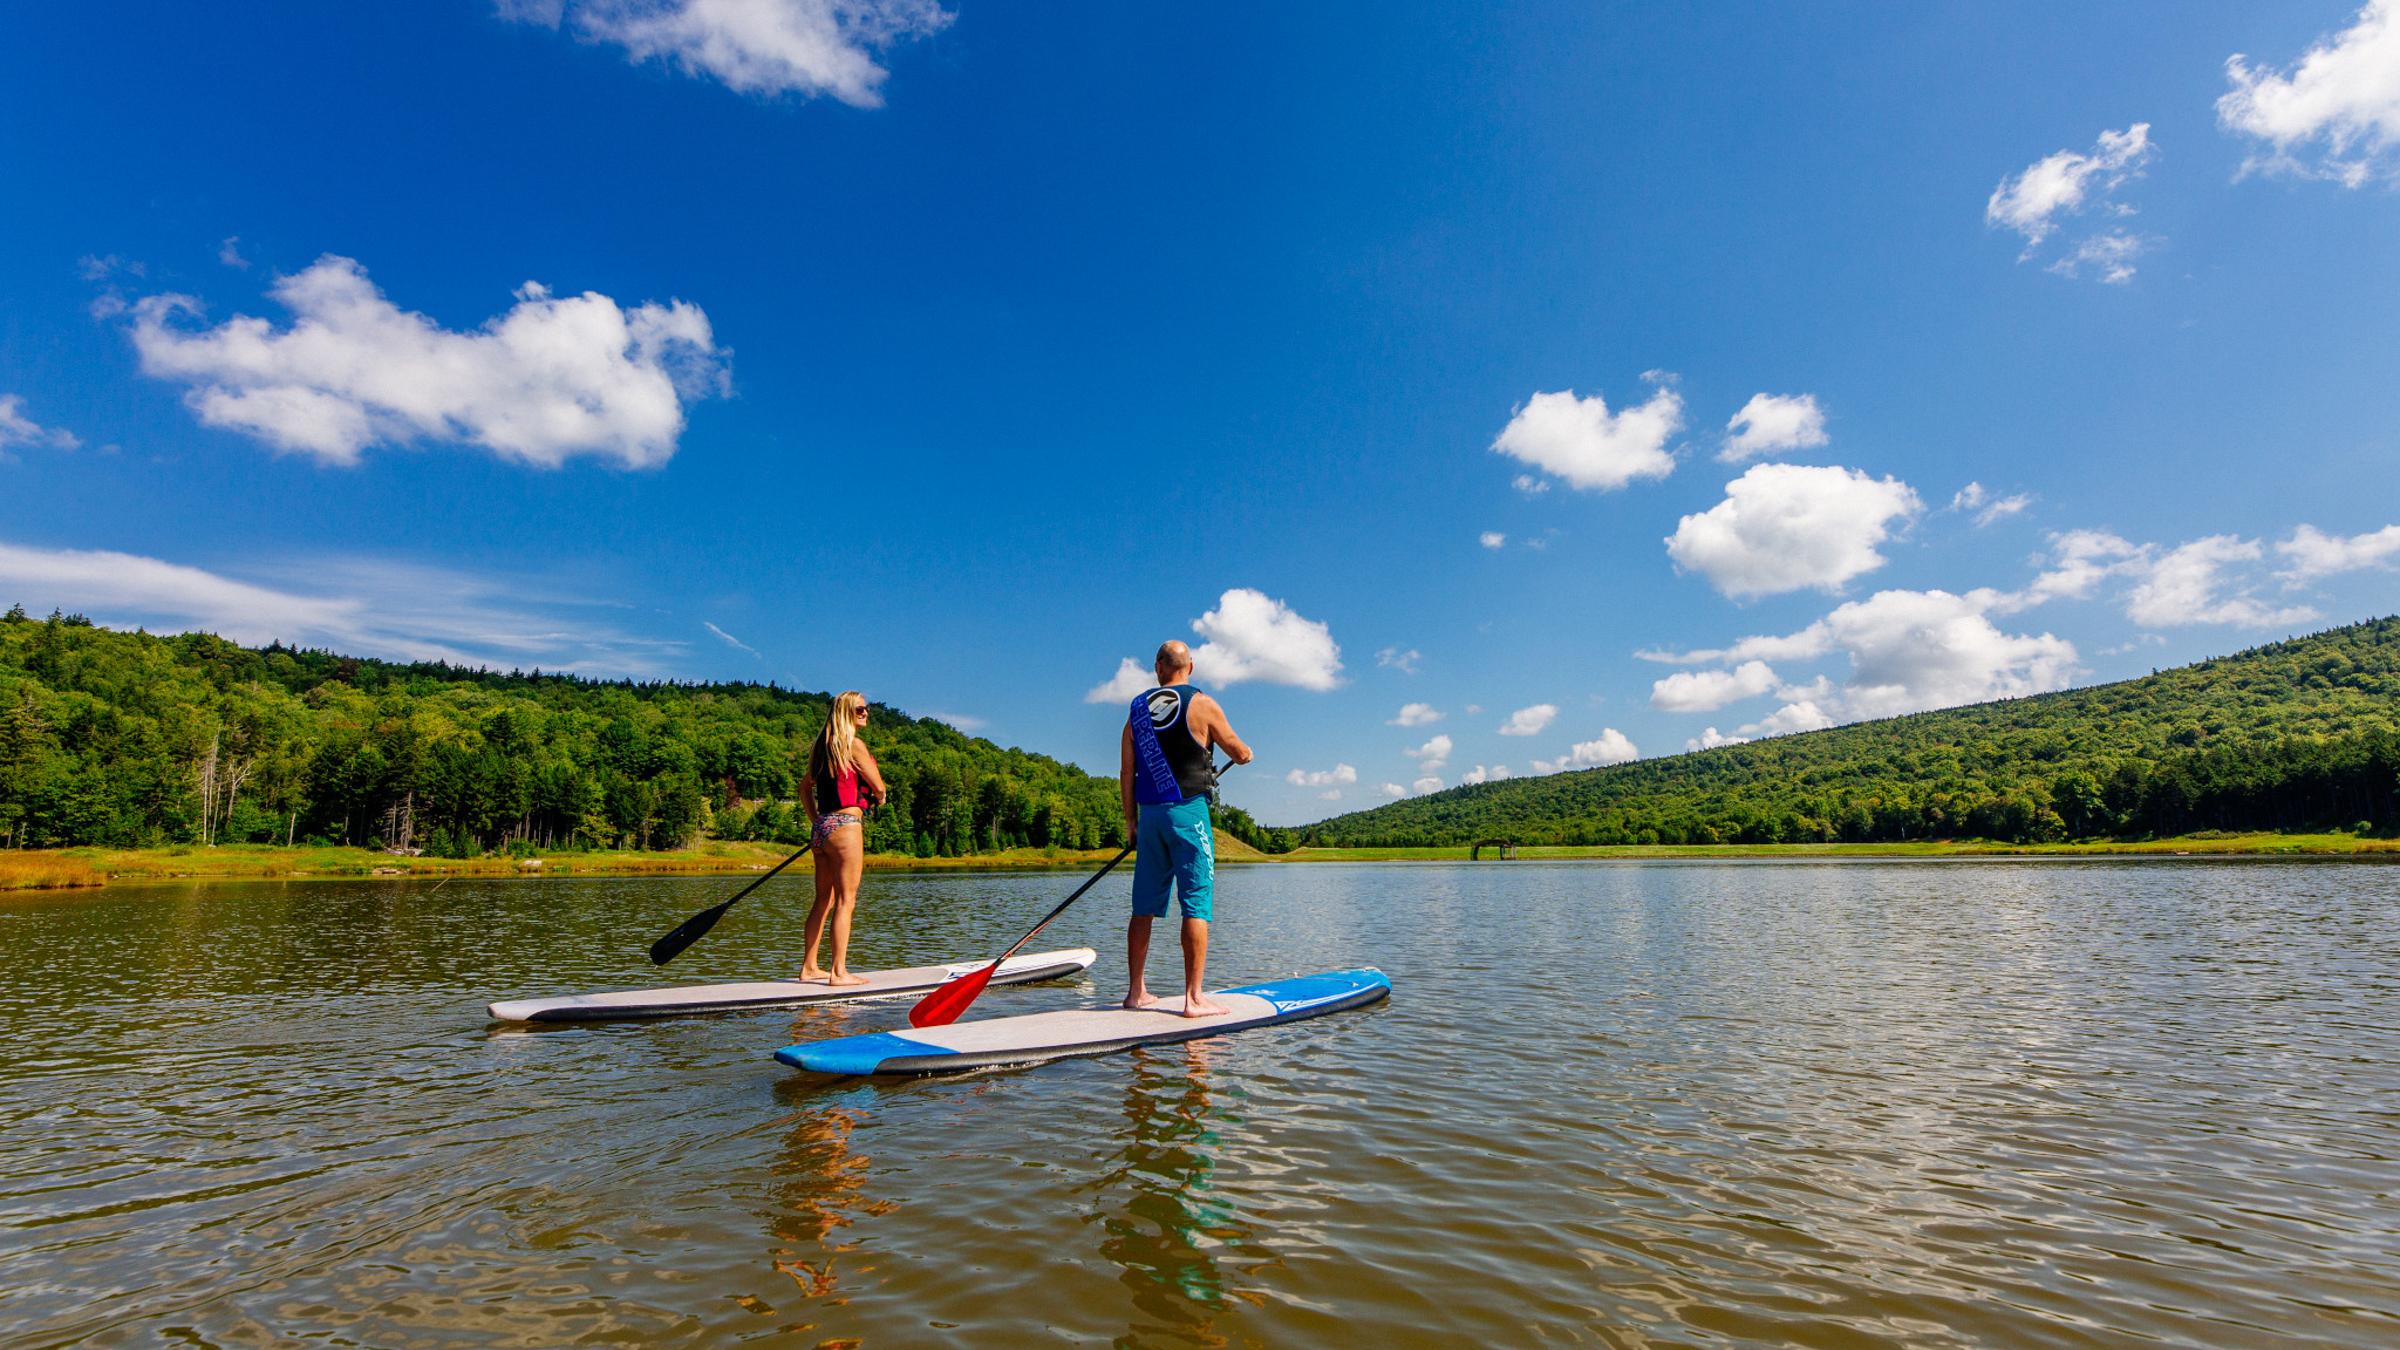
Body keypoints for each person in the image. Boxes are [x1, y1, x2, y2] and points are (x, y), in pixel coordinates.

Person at [1120, 640, 1252, 1017]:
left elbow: (1126, 772)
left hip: (1149, 817)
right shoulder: (1203, 704)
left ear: (1158, 667)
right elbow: (1237, 751)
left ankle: (1136, 993)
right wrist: (1246, 754)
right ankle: (1194, 999)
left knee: (1142, 907)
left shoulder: (1136, 712)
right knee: (1195, 903)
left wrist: (1131, 822)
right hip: (1188, 814)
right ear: (1189, 668)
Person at [799, 690, 886, 985]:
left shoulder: (822, 748)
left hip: (822, 828)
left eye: (867, 709)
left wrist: (817, 820)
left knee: (823, 899)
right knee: (846, 901)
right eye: (860, 709)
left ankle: (809, 968)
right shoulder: (854, 746)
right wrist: (880, 797)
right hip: (846, 825)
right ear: (847, 712)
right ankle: (838, 973)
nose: (866, 713)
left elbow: (804, 788)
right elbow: (879, 787)